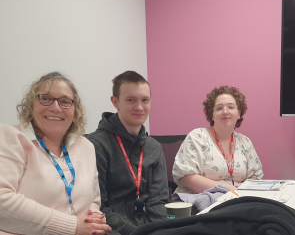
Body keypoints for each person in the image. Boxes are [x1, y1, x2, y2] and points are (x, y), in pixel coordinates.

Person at [0, 72, 112, 235]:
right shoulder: (10, 138)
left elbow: (93, 202)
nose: (55, 107)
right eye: (45, 98)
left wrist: (93, 220)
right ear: (31, 105)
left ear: (75, 112)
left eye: (65, 101)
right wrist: (72, 227)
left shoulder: (86, 147)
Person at [86, 71, 169, 235]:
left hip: (149, 228)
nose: (139, 107)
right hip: (113, 229)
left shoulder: (154, 147)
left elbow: (158, 201)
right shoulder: (95, 145)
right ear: (115, 102)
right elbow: (98, 207)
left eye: (144, 100)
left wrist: (158, 230)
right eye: (131, 100)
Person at [172, 86, 264, 194]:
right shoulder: (197, 138)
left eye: (230, 107)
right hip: (200, 202)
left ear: (239, 113)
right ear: (211, 115)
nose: (225, 111)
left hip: (237, 201)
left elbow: (256, 176)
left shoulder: (245, 142)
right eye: (219, 108)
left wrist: (243, 188)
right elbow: (186, 179)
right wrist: (230, 190)